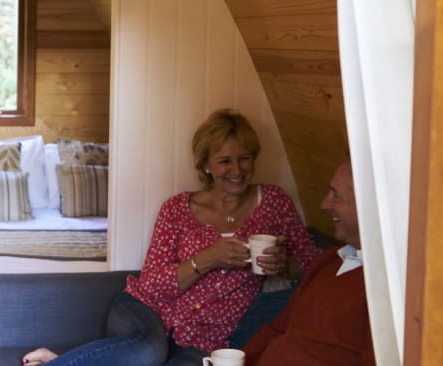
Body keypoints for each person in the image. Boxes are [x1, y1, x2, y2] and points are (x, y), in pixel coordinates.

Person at [23, 109, 320, 366]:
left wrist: (283, 265)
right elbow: (152, 284)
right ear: (206, 164)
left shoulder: (274, 203)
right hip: (145, 310)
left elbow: (312, 265)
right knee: (150, 351)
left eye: (245, 158)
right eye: (225, 161)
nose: (237, 170)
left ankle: (62, 359)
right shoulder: (177, 209)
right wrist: (208, 259)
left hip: (207, 337)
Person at [242, 159, 375, 365]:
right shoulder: (328, 260)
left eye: (336, 196)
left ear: (367, 206)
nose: (324, 204)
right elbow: (277, 329)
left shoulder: (386, 287)